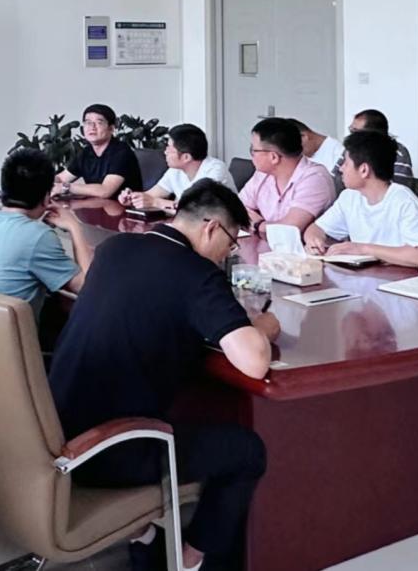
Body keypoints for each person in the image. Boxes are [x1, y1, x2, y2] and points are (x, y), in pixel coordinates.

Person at [49, 180, 278, 571]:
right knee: (247, 451)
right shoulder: (196, 274)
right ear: (211, 228)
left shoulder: (116, 248)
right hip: (107, 448)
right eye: (231, 242)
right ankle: (190, 558)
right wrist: (265, 325)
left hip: (56, 429)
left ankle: (145, 537)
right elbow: (254, 361)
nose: (227, 254)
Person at [0, 148, 94, 320]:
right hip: (5, 336)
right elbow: (87, 288)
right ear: (46, 197)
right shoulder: (38, 237)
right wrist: (74, 226)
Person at [304, 131, 418, 267]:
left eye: (346, 163)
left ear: (364, 170)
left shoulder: (403, 199)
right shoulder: (349, 197)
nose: (341, 169)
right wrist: (314, 241)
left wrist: (362, 249)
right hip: (364, 275)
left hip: (398, 276)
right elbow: (316, 228)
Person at [238, 117, 335, 236]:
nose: (252, 155)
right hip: (266, 244)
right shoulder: (262, 174)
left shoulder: (315, 178)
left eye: (254, 150)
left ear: (273, 157)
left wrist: (258, 224)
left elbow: (289, 229)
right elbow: (236, 209)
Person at [121, 124, 235, 211]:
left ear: (186, 157)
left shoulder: (215, 170)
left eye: (169, 148)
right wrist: (132, 198)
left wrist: (156, 203)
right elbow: (151, 195)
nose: (165, 152)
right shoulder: (175, 170)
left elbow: (195, 211)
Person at [53, 104, 143, 199]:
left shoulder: (122, 152)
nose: (92, 127)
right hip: (97, 205)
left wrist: (65, 187)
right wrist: (46, 183)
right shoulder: (86, 152)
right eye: (88, 123)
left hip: (124, 206)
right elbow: (61, 178)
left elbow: (105, 191)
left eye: (99, 123)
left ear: (111, 128)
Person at [334, 109, 414, 179]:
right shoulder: (350, 150)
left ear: (373, 134)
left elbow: (400, 185)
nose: (351, 135)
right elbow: (335, 179)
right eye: (351, 130)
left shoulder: (398, 152)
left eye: (355, 131)